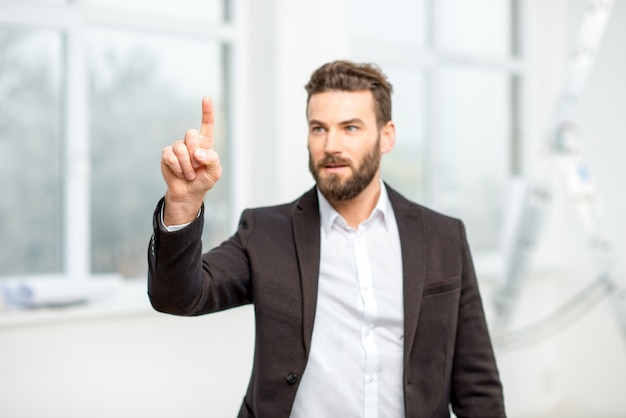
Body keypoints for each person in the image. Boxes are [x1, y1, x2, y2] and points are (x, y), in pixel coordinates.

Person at [148, 60, 506, 418]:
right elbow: (178, 297)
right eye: (319, 128)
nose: (331, 145)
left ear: (387, 136)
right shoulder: (266, 232)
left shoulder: (443, 237)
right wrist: (183, 204)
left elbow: (478, 385)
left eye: (350, 127)